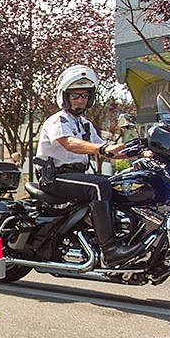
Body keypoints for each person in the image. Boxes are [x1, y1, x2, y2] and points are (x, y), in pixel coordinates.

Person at [36, 64, 144, 266]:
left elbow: (106, 147)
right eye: (75, 96)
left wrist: (143, 152)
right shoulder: (57, 120)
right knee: (99, 186)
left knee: (120, 182)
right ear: (65, 96)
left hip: (77, 176)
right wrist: (101, 149)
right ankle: (110, 249)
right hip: (55, 178)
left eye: (84, 96)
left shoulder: (85, 124)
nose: (80, 100)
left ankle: (124, 237)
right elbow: (70, 143)